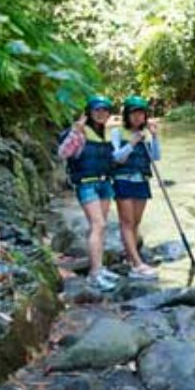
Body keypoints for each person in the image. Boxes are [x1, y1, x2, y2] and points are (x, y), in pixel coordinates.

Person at [57, 95, 118, 289]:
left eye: (105, 110)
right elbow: (63, 153)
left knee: (102, 226)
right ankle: (94, 274)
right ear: (89, 112)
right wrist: (75, 132)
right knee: (97, 225)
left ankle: (100, 268)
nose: (101, 114)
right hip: (87, 185)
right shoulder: (81, 133)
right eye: (97, 110)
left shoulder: (104, 135)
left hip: (105, 184)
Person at [110, 95, 162, 281]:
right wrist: (132, 143)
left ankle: (131, 256)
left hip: (141, 181)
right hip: (123, 181)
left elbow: (155, 157)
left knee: (135, 223)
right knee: (127, 223)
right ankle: (137, 264)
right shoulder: (117, 133)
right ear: (127, 115)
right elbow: (117, 158)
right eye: (134, 113)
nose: (138, 117)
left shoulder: (145, 134)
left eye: (141, 114)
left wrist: (155, 136)